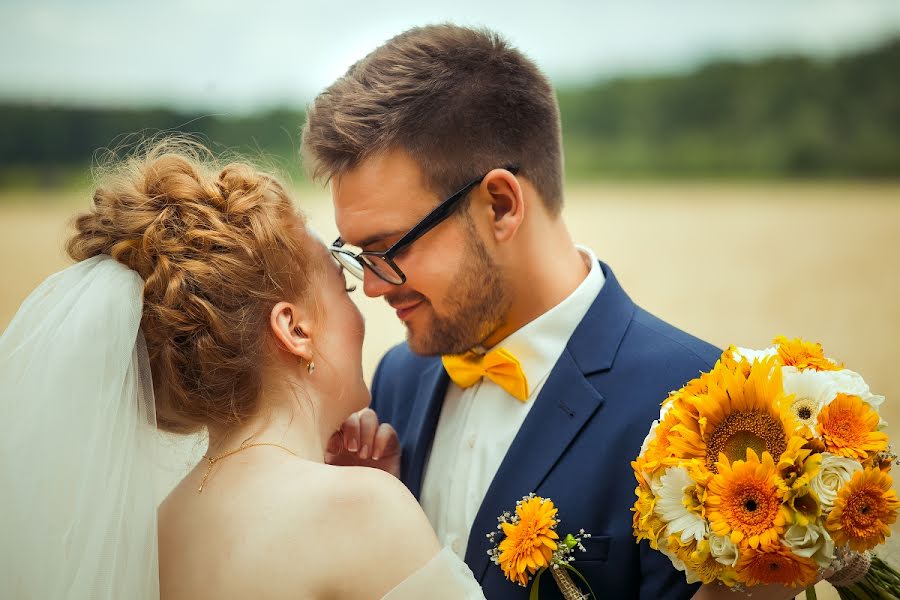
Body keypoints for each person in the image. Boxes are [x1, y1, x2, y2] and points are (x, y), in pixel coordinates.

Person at [301, 24, 811, 600]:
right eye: (357, 255)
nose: (371, 286)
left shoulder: (709, 409)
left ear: (500, 205)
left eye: (390, 248)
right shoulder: (398, 377)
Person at [0, 139, 485, 599]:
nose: (362, 310)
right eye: (345, 291)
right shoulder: (362, 509)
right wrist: (371, 499)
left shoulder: (161, 528)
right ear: (294, 330)